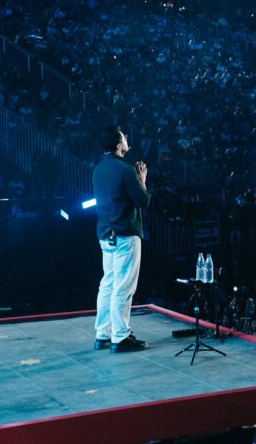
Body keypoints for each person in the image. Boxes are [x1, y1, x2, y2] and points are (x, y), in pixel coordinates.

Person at [92, 125, 150, 353]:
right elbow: (143, 201)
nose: (127, 139)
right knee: (123, 286)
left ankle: (103, 334)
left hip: (106, 234)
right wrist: (142, 180)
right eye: (124, 137)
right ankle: (120, 336)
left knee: (108, 284)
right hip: (125, 233)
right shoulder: (126, 170)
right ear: (119, 145)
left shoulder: (98, 169)